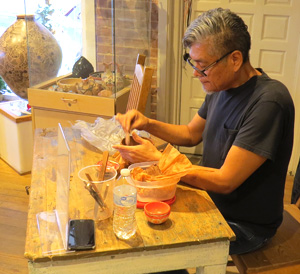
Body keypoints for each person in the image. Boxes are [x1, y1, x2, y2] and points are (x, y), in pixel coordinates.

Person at [113, 8, 295, 255]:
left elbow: (226, 180)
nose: (197, 74)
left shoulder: (268, 102)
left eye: (203, 66)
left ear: (235, 60)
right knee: (137, 225)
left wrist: (159, 160)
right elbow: (190, 134)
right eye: (193, 63)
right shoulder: (221, 86)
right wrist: (147, 123)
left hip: (244, 224)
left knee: (149, 247)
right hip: (211, 200)